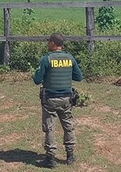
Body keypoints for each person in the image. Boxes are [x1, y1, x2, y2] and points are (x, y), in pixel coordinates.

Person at [32, 32, 84, 168]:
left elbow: (37, 79)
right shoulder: (70, 58)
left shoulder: (46, 59)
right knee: (68, 126)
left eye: (49, 41)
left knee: (49, 128)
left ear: (53, 44)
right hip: (67, 99)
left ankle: (50, 159)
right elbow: (79, 77)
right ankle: (70, 155)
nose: (47, 43)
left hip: (50, 99)